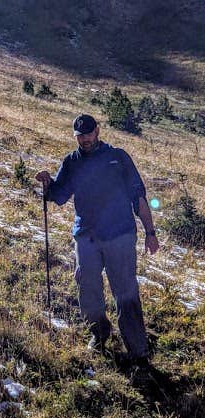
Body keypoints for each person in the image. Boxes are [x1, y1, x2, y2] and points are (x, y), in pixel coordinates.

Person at [35, 114, 159, 368]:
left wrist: (150, 232)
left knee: (125, 291)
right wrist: (47, 184)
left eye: (89, 133)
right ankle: (99, 333)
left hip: (120, 233)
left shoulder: (118, 157)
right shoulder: (72, 162)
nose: (85, 139)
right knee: (87, 285)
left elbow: (139, 197)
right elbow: (58, 196)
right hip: (86, 234)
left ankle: (138, 351)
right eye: (80, 135)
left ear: (98, 131)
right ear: (75, 137)